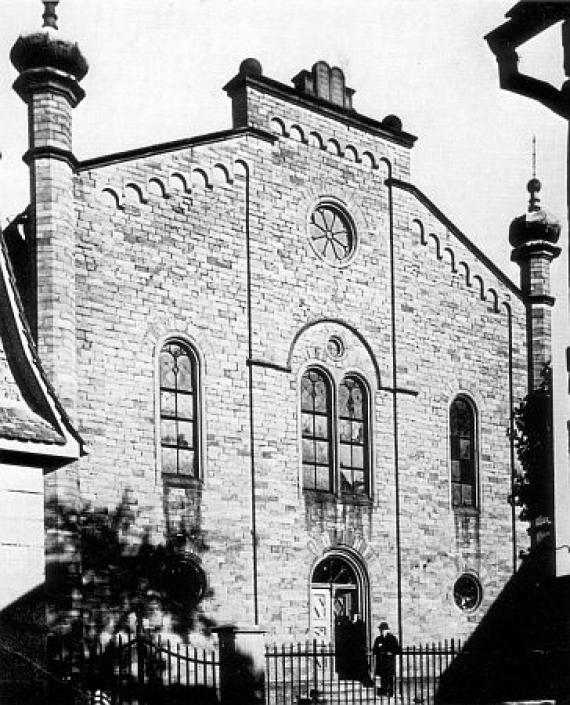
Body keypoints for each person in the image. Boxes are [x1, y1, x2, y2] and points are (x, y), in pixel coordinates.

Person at [372, 621, 400, 697]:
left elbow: (397, 649)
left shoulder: (392, 638)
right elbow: (374, 650)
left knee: (390, 676)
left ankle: (390, 691)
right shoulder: (378, 639)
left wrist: (390, 652)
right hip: (381, 661)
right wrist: (379, 651)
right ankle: (384, 690)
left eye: (383, 630)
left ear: (387, 630)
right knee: (383, 677)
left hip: (389, 661)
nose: (382, 631)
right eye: (381, 630)